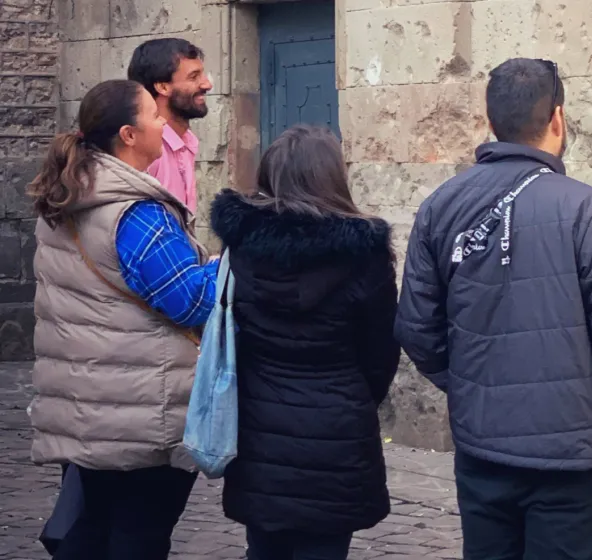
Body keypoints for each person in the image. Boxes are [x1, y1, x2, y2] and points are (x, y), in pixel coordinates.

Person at [394, 57, 592, 560]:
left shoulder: (440, 206)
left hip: (485, 451)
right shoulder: (590, 210)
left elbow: (416, 328)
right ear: (558, 120)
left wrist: (472, 384)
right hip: (572, 463)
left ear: (491, 122)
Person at [26, 78, 218, 559]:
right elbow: (192, 301)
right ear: (129, 134)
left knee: (91, 533)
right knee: (136, 539)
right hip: (138, 414)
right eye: (154, 116)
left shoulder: (68, 195)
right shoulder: (135, 212)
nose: (163, 124)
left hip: (83, 405)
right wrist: (225, 266)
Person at [209, 124, 400, 560]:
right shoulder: (365, 256)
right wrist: (352, 396)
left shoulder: (242, 249)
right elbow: (381, 351)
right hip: (337, 424)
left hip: (261, 423)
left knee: (264, 547)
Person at [127, 38, 212, 213]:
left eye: (202, 75)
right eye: (194, 77)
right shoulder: (145, 149)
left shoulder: (186, 141)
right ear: (163, 87)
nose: (207, 84)